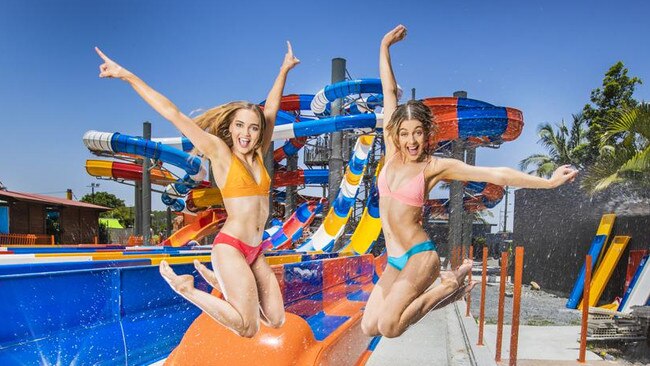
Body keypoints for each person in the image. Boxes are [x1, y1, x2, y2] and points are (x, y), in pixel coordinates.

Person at [361, 25, 578, 338]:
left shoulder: (434, 166)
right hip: (396, 259)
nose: (411, 141)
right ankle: (453, 292)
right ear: (396, 133)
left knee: (390, 326)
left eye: (418, 133)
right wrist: (384, 46)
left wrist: (548, 182)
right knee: (370, 326)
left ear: (427, 133)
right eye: (405, 133)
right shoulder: (391, 150)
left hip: (420, 257)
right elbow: (388, 91)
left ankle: (448, 283)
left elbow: (496, 175)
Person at [95, 42, 300, 338]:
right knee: (247, 327)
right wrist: (126, 75)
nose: (246, 133)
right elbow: (173, 113)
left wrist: (283, 70)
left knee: (277, 320)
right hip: (231, 247)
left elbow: (271, 108)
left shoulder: (259, 153)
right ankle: (186, 287)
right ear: (230, 128)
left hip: (255, 250)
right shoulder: (220, 153)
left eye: (253, 128)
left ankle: (223, 284)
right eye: (240, 126)